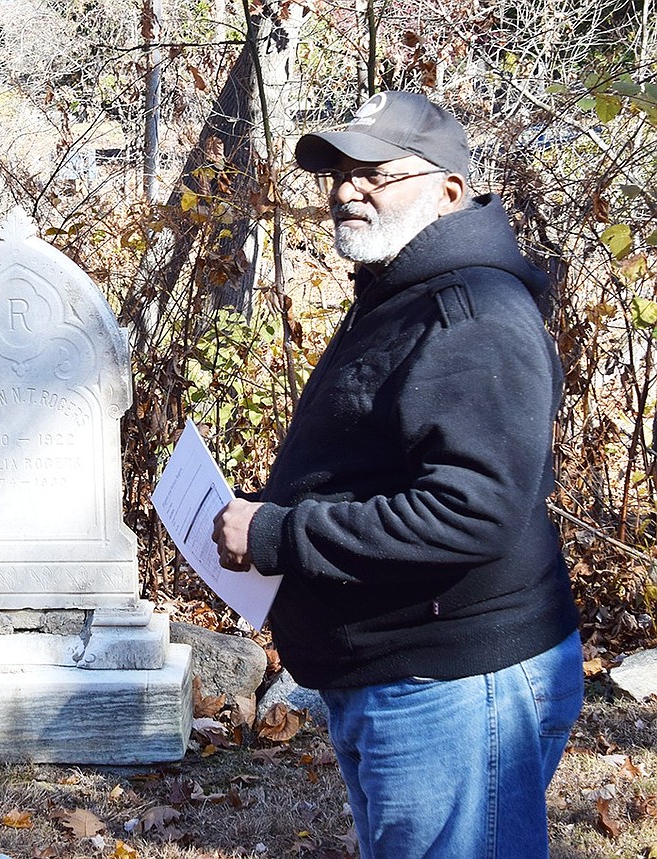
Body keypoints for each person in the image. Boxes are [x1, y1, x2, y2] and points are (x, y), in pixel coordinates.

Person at [211, 91, 582, 858]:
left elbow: (470, 510)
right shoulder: (400, 295)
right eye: (339, 173)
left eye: (375, 174)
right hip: (402, 671)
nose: (347, 190)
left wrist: (281, 533)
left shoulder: (471, 312)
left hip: (454, 680)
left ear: (449, 191)